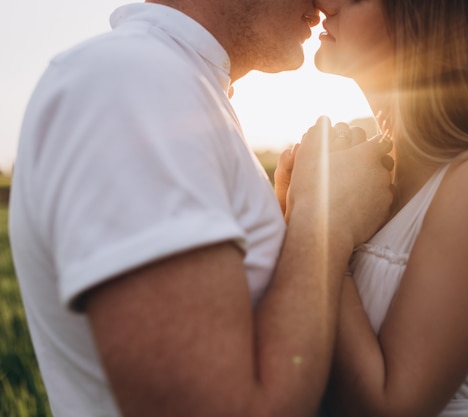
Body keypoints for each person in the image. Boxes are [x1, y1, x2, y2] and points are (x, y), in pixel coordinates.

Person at [8, 0, 395, 416]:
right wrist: (325, 220)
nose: (323, 1)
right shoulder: (131, 82)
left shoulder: (176, 85)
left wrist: (292, 215)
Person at [277, 0, 468, 415]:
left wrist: (319, 219)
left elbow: (388, 407)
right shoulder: (369, 176)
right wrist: (295, 212)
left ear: (433, 16)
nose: (325, 3)